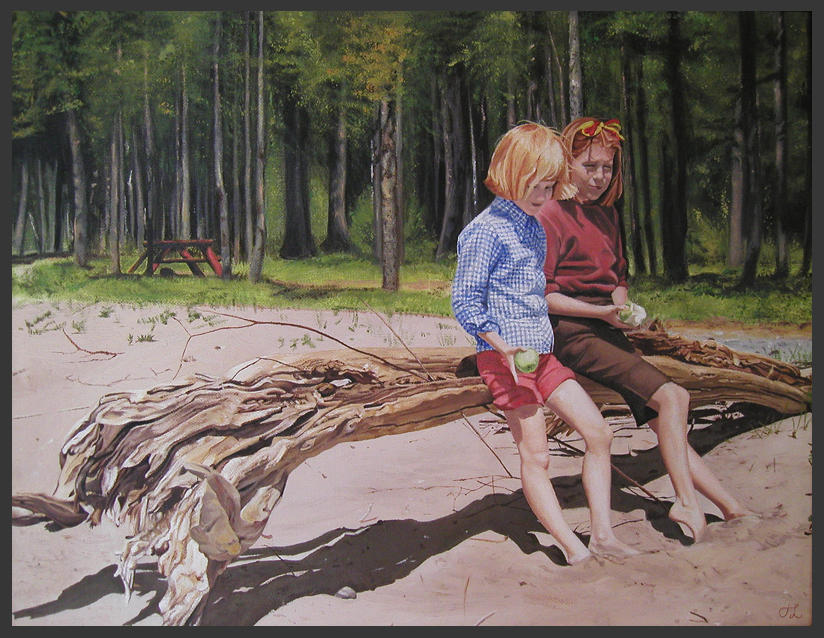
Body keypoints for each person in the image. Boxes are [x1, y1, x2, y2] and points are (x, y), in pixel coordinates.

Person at [537, 117, 754, 542]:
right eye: (589, 166)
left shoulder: (607, 216)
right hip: (570, 332)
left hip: (606, 330)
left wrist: (620, 306)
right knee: (675, 396)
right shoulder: (550, 214)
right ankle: (686, 502)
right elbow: (545, 296)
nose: (599, 177)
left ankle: (731, 507)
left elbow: (618, 277)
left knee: (663, 418)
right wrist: (601, 313)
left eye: (607, 167)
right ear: (566, 163)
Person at [452, 122, 638, 565]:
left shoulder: (535, 230)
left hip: (543, 355)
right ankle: (572, 546)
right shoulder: (484, 231)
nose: (543, 195)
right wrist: (502, 349)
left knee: (599, 433)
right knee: (536, 455)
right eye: (535, 185)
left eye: (550, 186)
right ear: (511, 175)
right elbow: (465, 302)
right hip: (506, 360)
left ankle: (603, 535)